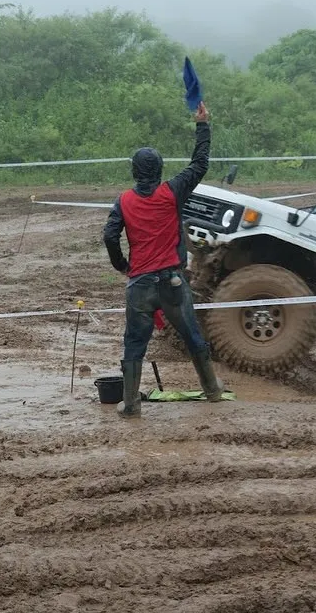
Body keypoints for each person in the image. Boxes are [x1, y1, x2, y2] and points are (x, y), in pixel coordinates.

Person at [103, 101, 224, 417]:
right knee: (192, 334)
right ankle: (212, 391)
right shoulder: (173, 191)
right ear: (159, 170)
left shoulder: (124, 201)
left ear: (134, 171)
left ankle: (130, 404)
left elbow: (109, 236)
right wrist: (202, 125)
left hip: (139, 284)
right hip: (171, 280)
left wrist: (122, 265)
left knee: (134, 345)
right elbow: (199, 164)